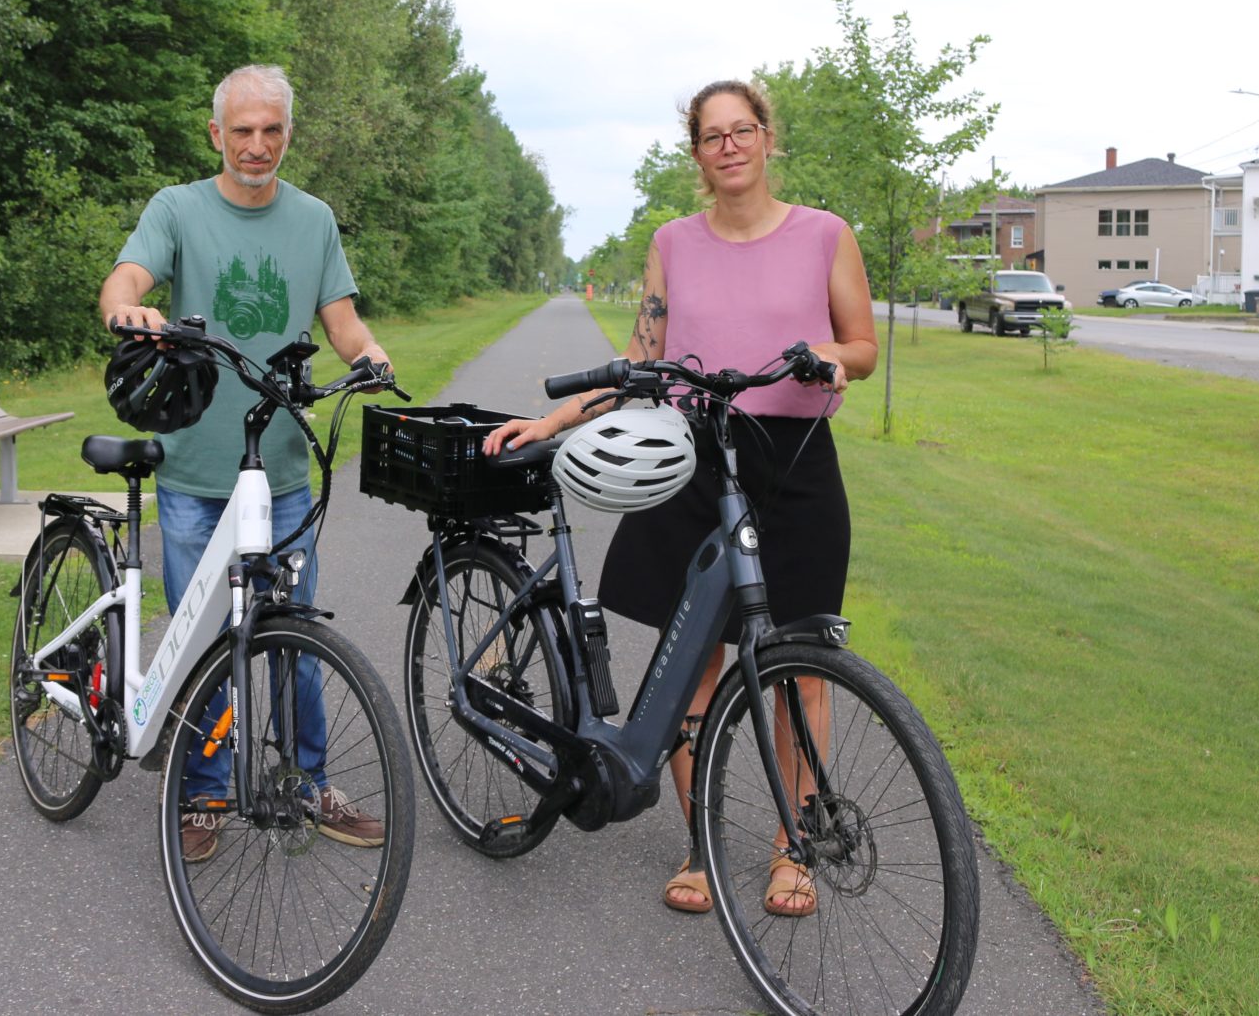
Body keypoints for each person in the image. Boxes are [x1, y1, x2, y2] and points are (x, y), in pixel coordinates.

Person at [482, 80, 877, 916]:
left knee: (799, 671)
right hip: (692, 461)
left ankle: (791, 847)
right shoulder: (674, 241)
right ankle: (700, 846)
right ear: (696, 153)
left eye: (743, 130)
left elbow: (864, 344)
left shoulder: (825, 235)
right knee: (690, 666)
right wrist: (552, 419)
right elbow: (643, 358)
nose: (729, 145)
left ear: (769, 138)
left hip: (795, 464)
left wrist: (834, 358)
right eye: (712, 135)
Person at [100, 64, 393, 861]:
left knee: (292, 633)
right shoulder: (179, 209)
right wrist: (129, 305)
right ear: (216, 134)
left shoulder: (315, 220)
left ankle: (308, 782)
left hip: (285, 472)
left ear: (287, 135)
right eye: (243, 131)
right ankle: (201, 793)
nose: (256, 146)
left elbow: (342, 321)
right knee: (206, 645)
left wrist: (369, 354)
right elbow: (127, 275)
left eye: (271, 131)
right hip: (197, 471)